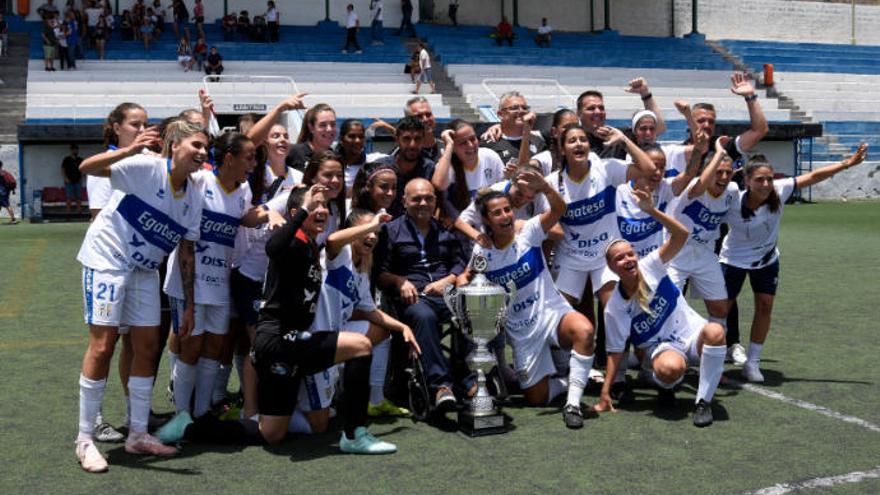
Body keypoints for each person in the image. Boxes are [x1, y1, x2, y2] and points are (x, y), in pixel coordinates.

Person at [74, 118, 207, 472]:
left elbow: (188, 250)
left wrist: (189, 304)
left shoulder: (194, 193)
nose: (203, 152)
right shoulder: (145, 167)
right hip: (108, 260)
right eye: (196, 144)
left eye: (205, 147)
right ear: (174, 145)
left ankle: (137, 434)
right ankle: (85, 439)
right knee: (103, 346)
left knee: (148, 346)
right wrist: (128, 151)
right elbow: (86, 167)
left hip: (145, 270)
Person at [461, 172, 602, 427]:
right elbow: (468, 277)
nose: (505, 216)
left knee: (584, 330)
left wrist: (546, 187)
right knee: (537, 398)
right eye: (497, 213)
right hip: (522, 330)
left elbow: (559, 210)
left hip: (551, 313)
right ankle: (566, 380)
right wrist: (461, 287)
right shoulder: (482, 251)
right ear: (486, 220)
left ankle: (572, 404)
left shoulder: (529, 232)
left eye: (507, 210)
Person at [721, 144, 868, 383]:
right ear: (746, 180)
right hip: (732, 260)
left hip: (767, 260)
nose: (766, 184)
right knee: (721, 310)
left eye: (769, 178)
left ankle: (753, 363)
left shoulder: (780, 189)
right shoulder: (732, 201)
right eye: (760, 180)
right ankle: (711, 359)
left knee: (765, 307)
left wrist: (846, 164)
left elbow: (813, 176)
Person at [599, 187, 726, 427]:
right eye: (620, 258)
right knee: (669, 369)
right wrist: (606, 390)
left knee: (716, 332)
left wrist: (651, 210)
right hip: (663, 348)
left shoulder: (651, 266)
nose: (628, 260)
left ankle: (703, 403)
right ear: (612, 268)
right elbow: (615, 352)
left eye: (630, 254)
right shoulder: (614, 307)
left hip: (692, 334)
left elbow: (681, 234)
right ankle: (668, 383)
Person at [547, 125, 655, 354]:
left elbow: (648, 169)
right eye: (572, 141)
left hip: (606, 254)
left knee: (616, 310)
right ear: (562, 149)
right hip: (570, 257)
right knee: (557, 316)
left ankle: (618, 375)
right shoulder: (552, 183)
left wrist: (624, 139)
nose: (579, 144)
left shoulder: (606, 169)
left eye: (583, 139)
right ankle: (563, 367)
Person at [375, 179, 468, 410]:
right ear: (404, 201)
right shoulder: (391, 230)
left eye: (428, 198)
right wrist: (400, 281)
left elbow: (459, 263)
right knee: (424, 317)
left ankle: (471, 380)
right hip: (412, 297)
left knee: (472, 310)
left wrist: (448, 280)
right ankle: (441, 387)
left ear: (435, 201)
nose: (423, 203)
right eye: (416, 199)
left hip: (445, 293)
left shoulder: (445, 230)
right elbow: (379, 273)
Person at [666, 137, 738, 337]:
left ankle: (714, 351)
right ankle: (665, 349)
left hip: (705, 252)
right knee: (669, 305)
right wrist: (719, 153)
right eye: (718, 172)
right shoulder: (693, 187)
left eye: (728, 173)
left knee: (721, 308)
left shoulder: (732, 192)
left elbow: (737, 220)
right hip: (676, 253)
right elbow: (700, 186)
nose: (723, 177)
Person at [454, 161, 550, 248]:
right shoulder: (492, 193)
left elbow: (557, 231)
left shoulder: (538, 196)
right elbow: (460, 222)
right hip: (489, 251)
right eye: (519, 194)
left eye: (529, 197)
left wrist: (526, 226)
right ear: (512, 181)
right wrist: (479, 237)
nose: (523, 200)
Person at [576, 78, 667, 160]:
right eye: (591, 108)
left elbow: (659, 128)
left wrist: (645, 94)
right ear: (578, 113)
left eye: (601, 108)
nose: (597, 112)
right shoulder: (573, 140)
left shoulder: (619, 135)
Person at [432, 119, 506, 217]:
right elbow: (438, 184)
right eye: (463, 142)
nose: (470, 145)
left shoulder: (490, 156)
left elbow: (503, 194)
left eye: (473, 139)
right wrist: (449, 145)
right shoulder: (446, 166)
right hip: (459, 224)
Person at [366, 116, 435, 218]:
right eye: (406, 139)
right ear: (397, 139)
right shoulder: (380, 168)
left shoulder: (429, 168)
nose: (412, 145)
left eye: (417, 139)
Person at [481, 91, 545, 167]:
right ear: (500, 114)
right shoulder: (488, 144)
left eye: (524, 108)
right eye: (514, 108)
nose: (521, 111)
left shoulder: (539, 141)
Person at [286, 103, 337, 172]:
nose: (329, 129)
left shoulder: (335, 157)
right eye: (323, 125)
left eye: (333, 124)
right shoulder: (294, 153)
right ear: (311, 128)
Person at [404, 96, 441, 161]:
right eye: (419, 116)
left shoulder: (449, 148)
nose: (425, 119)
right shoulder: (402, 155)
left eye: (428, 114)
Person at [336, 119, 367, 195]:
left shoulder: (371, 162)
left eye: (361, 137)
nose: (357, 141)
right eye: (352, 136)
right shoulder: (332, 165)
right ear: (341, 139)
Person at [62, 144, 84, 215]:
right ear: (71, 150)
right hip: (69, 182)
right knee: (69, 198)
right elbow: (63, 169)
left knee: (79, 197)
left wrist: (81, 178)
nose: (75, 151)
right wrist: (65, 178)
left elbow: (83, 170)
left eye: (76, 149)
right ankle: (68, 213)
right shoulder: (66, 160)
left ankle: (79, 212)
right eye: (74, 149)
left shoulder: (80, 160)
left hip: (77, 181)